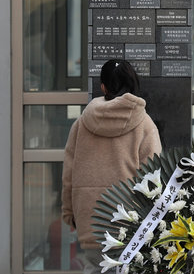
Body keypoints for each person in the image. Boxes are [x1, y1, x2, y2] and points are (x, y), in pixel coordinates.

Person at [61, 60, 162, 274]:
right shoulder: (144, 124)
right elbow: (153, 179)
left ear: (103, 87)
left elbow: (69, 174)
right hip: (128, 222)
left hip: (89, 217)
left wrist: (69, 212)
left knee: (93, 267)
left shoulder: (81, 124)